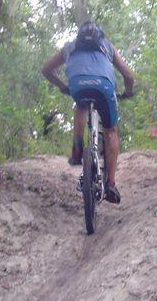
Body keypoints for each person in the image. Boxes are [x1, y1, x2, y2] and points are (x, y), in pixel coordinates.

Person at [41, 20, 135, 204]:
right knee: (111, 131)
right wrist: (128, 91)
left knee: (81, 105)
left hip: (78, 85)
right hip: (104, 87)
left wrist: (63, 86)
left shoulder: (70, 47)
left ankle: (77, 149)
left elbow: (46, 70)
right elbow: (128, 76)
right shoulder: (107, 46)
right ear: (101, 36)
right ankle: (111, 184)